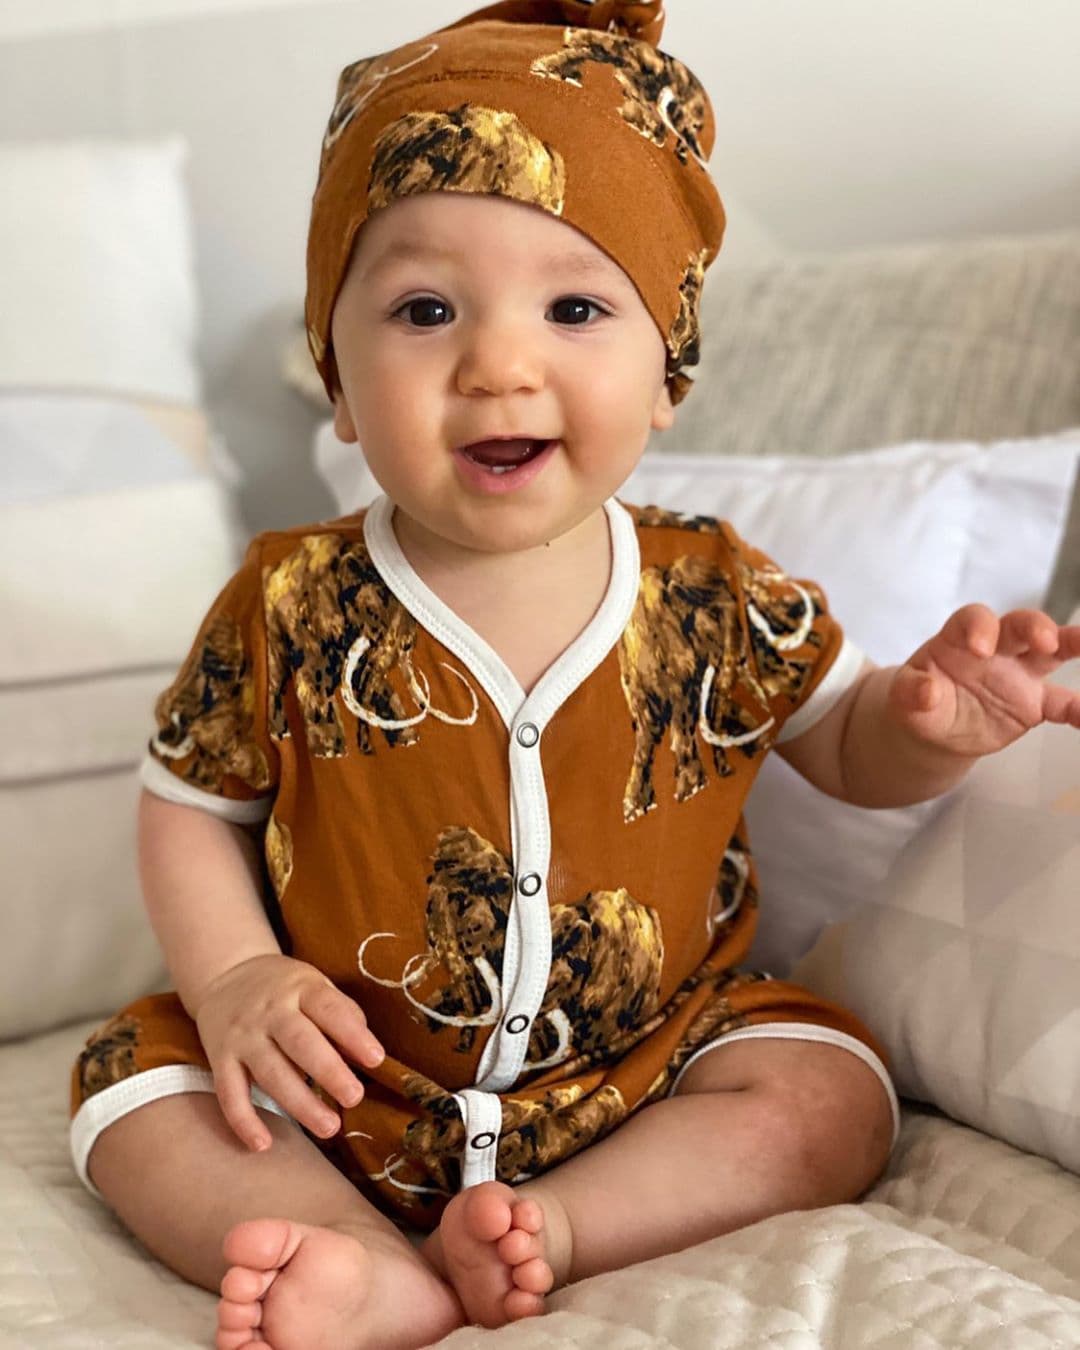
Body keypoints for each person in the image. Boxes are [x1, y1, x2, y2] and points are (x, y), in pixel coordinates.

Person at [68, 2, 1080, 1347]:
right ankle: (364, 1254)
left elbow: (846, 750)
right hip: (342, 1087)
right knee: (134, 1088)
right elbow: (192, 803)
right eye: (425, 309)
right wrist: (237, 980)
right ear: (340, 383)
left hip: (645, 1073)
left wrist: (931, 723)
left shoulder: (717, 590)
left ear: (667, 369)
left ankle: (566, 1227)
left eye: (576, 306)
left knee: (833, 1089)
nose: (499, 362)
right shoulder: (290, 600)